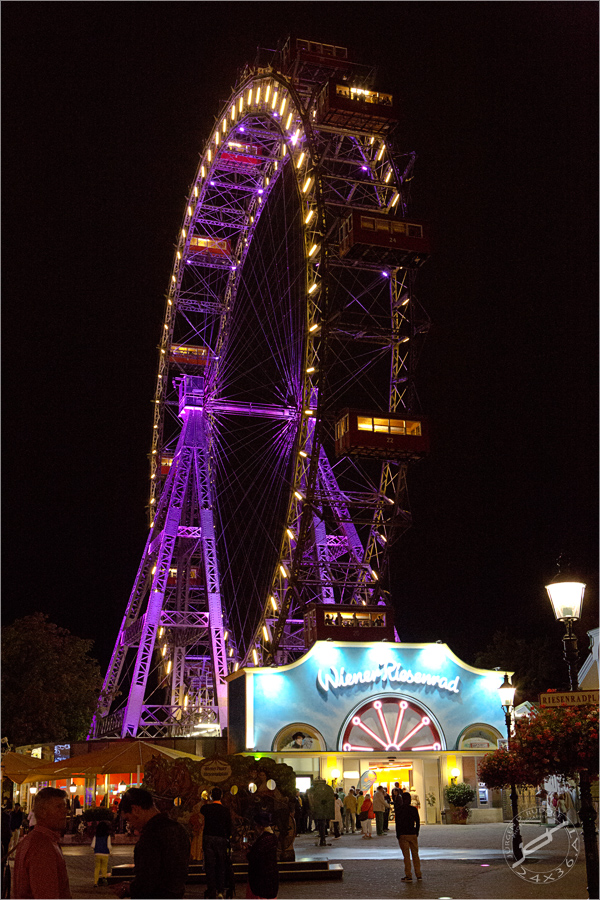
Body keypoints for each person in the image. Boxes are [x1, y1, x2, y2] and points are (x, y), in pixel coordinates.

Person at [116, 787, 190, 899]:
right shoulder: (179, 829)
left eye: (128, 819)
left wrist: (128, 888)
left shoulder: (151, 836)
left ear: (135, 809)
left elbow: (147, 881)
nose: (130, 824)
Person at [12, 786, 71, 899]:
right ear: (43, 812)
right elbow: (47, 894)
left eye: (65, 806)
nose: (65, 811)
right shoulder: (43, 847)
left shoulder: (33, 840)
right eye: (59, 807)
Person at [200, 786, 233, 899]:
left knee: (210, 865)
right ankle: (220, 890)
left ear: (211, 796)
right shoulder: (225, 810)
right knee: (221, 864)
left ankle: (211, 889)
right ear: (222, 796)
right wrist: (229, 838)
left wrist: (207, 800)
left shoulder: (206, 808)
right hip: (221, 838)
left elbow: (201, 809)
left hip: (208, 837)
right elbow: (229, 826)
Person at [246, 812, 278, 900]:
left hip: (262, 878)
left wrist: (248, 852)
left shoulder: (264, 839)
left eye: (256, 825)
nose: (255, 828)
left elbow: (255, 856)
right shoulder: (272, 837)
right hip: (270, 876)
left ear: (261, 826)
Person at [395, 791, 422, 882]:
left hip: (403, 834)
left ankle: (408, 875)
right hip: (412, 834)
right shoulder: (413, 809)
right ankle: (418, 874)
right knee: (415, 855)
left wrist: (398, 834)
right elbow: (417, 822)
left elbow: (397, 823)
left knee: (406, 856)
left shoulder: (399, 810)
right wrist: (416, 832)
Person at [91, 819, 112, 887]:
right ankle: (104, 878)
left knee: (97, 868)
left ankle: (95, 882)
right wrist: (110, 852)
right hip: (105, 853)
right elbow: (109, 845)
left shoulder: (96, 836)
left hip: (97, 853)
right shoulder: (107, 836)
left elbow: (93, 845)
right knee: (104, 867)